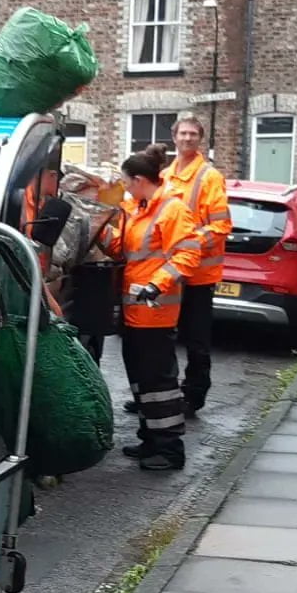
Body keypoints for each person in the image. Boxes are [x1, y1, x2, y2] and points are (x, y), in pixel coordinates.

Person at [92, 147, 196, 470]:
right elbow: (123, 249)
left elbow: (187, 256)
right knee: (141, 380)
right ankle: (151, 439)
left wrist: (156, 284)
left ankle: (169, 449)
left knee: (159, 384)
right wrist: (99, 229)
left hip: (156, 312)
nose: (123, 188)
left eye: (125, 183)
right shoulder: (137, 209)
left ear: (139, 180)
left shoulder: (172, 209)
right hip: (135, 312)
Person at [163, 115, 231, 417]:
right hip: (170, 272)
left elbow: (221, 225)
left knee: (197, 340)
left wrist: (186, 243)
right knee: (164, 336)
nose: (187, 138)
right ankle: (164, 394)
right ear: (174, 137)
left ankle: (193, 396)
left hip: (199, 274)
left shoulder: (209, 177)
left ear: (199, 139)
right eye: (183, 133)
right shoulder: (165, 175)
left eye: (193, 134)